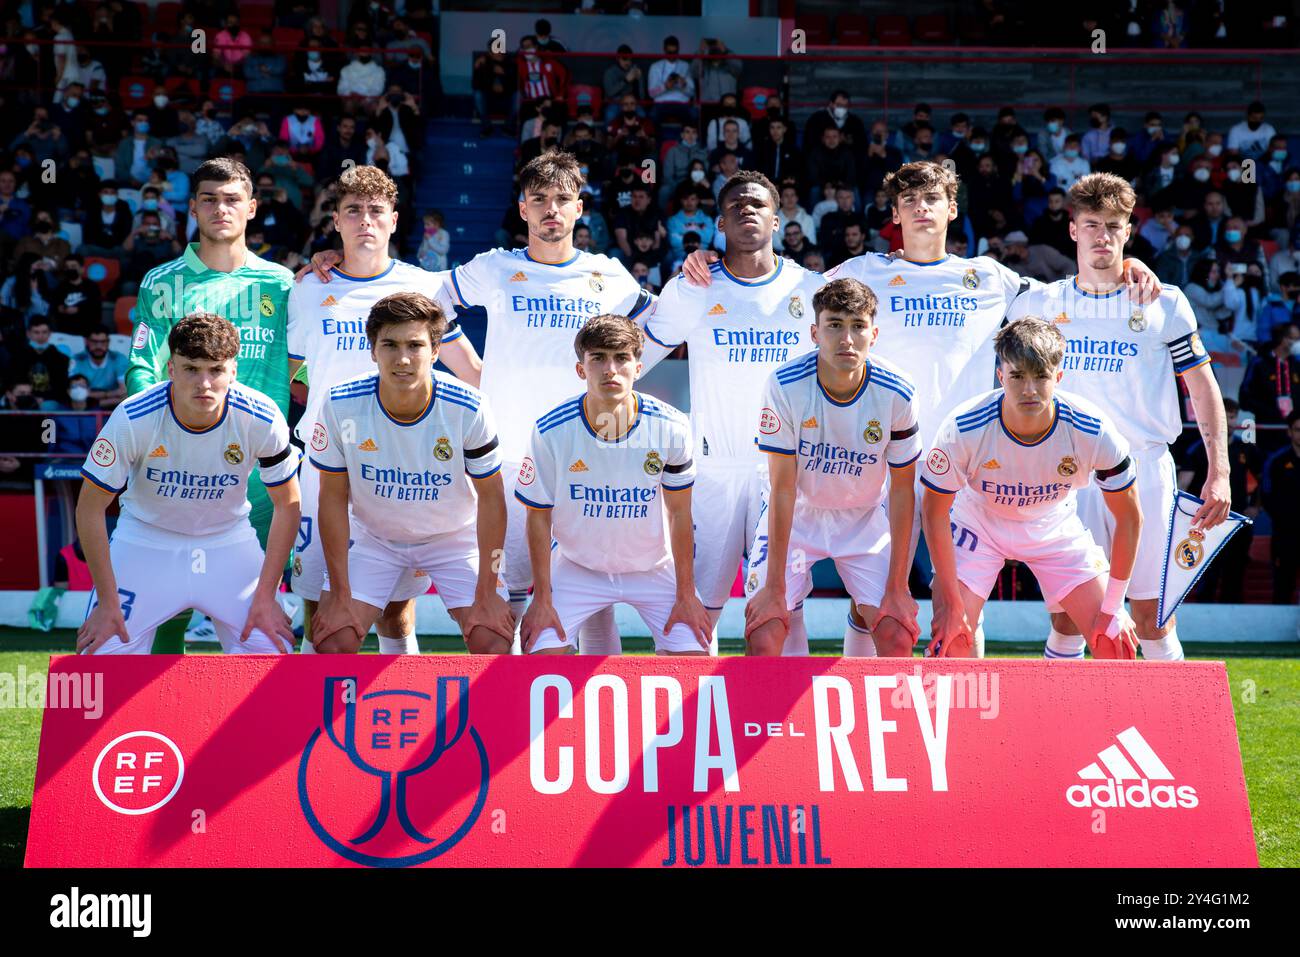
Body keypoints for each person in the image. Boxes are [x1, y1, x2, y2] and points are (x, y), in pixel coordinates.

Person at [304, 151, 652, 654]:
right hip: (508, 453)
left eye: (562, 200)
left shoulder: (609, 276)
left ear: (580, 208)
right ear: (523, 208)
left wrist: (623, 384)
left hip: (588, 450)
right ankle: (508, 701)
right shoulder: (494, 267)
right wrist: (339, 262)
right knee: (505, 594)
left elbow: (659, 329)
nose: (551, 210)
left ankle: (587, 711)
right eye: (539, 200)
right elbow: (426, 302)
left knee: (592, 585)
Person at [1007, 172, 1231, 662]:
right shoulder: (1038, 304)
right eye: (1091, 224)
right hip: (1068, 475)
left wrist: (1221, 472)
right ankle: (1054, 736)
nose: (1102, 235)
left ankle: (1177, 733)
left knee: (1152, 616)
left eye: (1113, 225)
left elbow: (1203, 388)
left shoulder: (1164, 302)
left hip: (1146, 467)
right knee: (1069, 616)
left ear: (1129, 231)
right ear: (1073, 230)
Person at [287, 165, 481, 654]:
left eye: (376, 211)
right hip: (323, 460)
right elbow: (291, 376)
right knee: (322, 605)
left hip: (401, 463)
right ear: (336, 220)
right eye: (353, 210)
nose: (365, 221)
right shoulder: (308, 289)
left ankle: (403, 716)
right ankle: (313, 718)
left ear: (394, 220)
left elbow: (470, 371)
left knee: (395, 609)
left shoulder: (424, 286)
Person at [640, 170, 828, 653]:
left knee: (783, 612)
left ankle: (785, 726)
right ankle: (683, 725)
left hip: (785, 473)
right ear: (719, 222)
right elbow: (634, 356)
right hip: (713, 472)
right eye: (737, 205)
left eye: (759, 204)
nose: (748, 210)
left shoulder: (811, 290)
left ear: (777, 216)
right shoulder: (695, 287)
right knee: (690, 617)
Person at [125, 157, 296, 654]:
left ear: (252, 207)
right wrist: (150, 437)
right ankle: (157, 727)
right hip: (174, 469)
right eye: (209, 199)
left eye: (232, 199)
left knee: (257, 620)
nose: (220, 208)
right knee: (165, 614)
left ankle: (255, 730)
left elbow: (307, 366)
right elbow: (142, 368)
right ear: (194, 207)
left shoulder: (283, 285)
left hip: (261, 481)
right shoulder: (162, 281)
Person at [74, 313, 301, 655]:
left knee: (272, 649)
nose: (204, 383)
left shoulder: (262, 416)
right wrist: (107, 602)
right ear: (171, 369)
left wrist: (267, 596)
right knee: (102, 655)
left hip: (228, 541)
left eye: (216, 370)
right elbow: (89, 508)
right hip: (145, 542)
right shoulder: (134, 417)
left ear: (233, 372)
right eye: (191, 368)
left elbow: (288, 504)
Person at [921, 318, 1142, 660]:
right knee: (952, 642)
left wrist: (1114, 606)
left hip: (1054, 528)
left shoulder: (1093, 430)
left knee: (1113, 641)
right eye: (1017, 376)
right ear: (1000, 376)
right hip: (978, 526)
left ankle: (1076, 713)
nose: (1029, 389)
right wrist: (951, 604)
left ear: (1059, 377)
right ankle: (966, 660)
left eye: (1040, 376)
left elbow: (1129, 518)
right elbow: (934, 513)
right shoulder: (963, 428)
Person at [307, 293, 513, 654]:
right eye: (390, 344)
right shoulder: (341, 403)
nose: (402, 358)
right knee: (333, 639)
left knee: (492, 638)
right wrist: (339, 593)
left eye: (415, 345)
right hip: (375, 539)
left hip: (453, 539)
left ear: (435, 351)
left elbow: (493, 498)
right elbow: (332, 498)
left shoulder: (468, 406)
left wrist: (487, 590)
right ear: (372, 349)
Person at [743, 278, 921, 657]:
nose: (847, 338)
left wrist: (898, 587)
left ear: (874, 334)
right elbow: (783, 488)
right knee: (763, 635)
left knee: (897, 636)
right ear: (814, 332)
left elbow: (904, 490)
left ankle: (874, 710)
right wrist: (774, 586)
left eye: (857, 326)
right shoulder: (784, 385)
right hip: (797, 518)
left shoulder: (898, 391)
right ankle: (779, 711)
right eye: (834, 325)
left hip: (863, 519)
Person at [517, 314, 708, 655]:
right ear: (581, 369)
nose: (610, 369)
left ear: (638, 366)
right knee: (542, 661)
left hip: (654, 567)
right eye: (598, 358)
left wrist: (686, 594)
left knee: (693, 663)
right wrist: (541, 598)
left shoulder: (672, 426)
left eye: (622, 358)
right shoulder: (550, 431)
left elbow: (680, 514)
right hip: (578, 567)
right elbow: (537, 517)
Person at [1179, 398, 1258, 604]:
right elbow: (1182, 485)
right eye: (1225, 416)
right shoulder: (1197, 449)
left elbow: (1263, 479)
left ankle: (1232, 623)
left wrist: (1255, 506)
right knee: (1207, 572)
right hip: (1206, 522)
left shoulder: (1246, 447)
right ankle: (1205, 619)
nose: (1229, 421)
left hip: (1237, 520)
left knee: (1236, 571)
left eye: (1233, 416)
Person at [1261, 410, 1300, 604]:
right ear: (1290, 432)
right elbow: (1266, 493)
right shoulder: (1277, 461)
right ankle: (1277, 628)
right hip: (1285, 532)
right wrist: (1283, 518)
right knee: (1283, 579)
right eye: (1298, 430)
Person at [1239, 321, 1300, 437]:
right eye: (1295, 339)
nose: (1298, 343)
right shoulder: (1259, 364)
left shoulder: (1296, 366)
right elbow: (1244, 398)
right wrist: (1269, 412)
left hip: (1293, 433)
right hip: (1267, 430)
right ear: (1283, 339)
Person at [71, 329, 127, 409]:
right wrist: (108, 395)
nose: (99, 346)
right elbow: (77, 393)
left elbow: (123, 391)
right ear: (86, 341)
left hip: (112, 406)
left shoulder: (118, 358)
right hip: (87, 405)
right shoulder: (77, 359)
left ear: (108, 342)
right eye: (94, 342)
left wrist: (93, 397)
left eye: (103, 342)